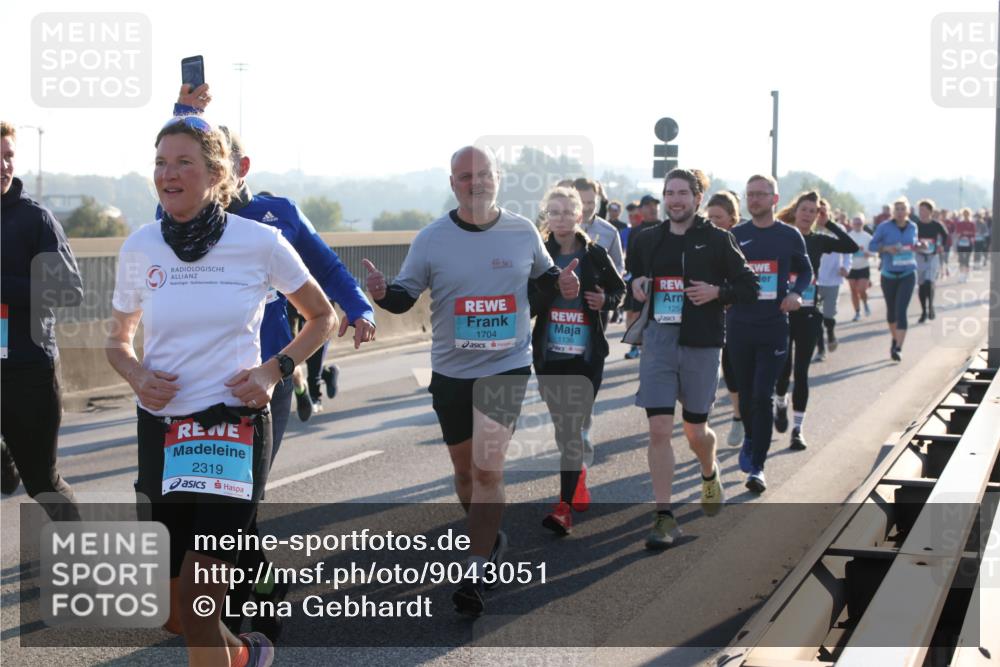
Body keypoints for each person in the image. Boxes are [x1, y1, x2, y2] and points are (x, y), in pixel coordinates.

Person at [106, 115, 336, 666]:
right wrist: (138, 376)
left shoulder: (259, 242)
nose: (169, 173)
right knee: (170, 610)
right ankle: (247, 657)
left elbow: (321, 316)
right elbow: (117, 341)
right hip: (161, 433)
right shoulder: (140, 246)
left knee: (200, 606)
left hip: (231, 431)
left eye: (185, 162)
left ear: (217, 174)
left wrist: (272, 371)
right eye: (161, 162)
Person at [169, 85, 375, 639]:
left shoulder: (273, 216)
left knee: (240, 491)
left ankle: (240, 598)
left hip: (266, 376)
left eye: (218, 162)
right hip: (198, 380)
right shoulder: (183, 220)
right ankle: (254, 585)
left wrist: (358, 308)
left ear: (238, 166)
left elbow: (328, 269)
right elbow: (175, 156)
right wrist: (185, 109)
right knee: (211, 494)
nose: (204, 173)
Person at [363, 145, 579, 616]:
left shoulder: (522, 231)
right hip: (451, 372)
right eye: (465, 176)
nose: (475, 182)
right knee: (464, 473)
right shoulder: (432, 238)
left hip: (507, 364)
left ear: (497, 178)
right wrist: (382, 294)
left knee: (486, 468)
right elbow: (404, 296)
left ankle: (477, 568)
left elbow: (544, 280)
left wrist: (562, 287)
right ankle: (490, 535)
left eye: (483, 174)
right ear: (453, 183)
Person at [629, 169, 757, 547]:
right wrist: (634, 284)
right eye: (669, 193)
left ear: (698, 198)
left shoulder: (718, 239)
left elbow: (749, 286)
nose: (675, 200)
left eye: (683, 193)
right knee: (657, 429)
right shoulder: (647, 238)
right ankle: (664, 517)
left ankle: (708, 469)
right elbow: (633, 279)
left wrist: (718, 292)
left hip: (701, 342)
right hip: (659, 341)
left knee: (696, 431)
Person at [529, 186, 625, 535]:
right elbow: (528, 304)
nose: (561, 218)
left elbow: (619, 290)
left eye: (568, 212)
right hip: (550, 356)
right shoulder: (538, 256)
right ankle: (578, 474)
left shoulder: (596, 254)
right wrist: (555, 288)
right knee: (564, 430)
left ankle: (563, 507)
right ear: (547, 217)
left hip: (586, 358)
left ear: (580, 216)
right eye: (554, 213)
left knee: (571, 429)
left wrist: (605, 300)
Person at [0, 121, 84, 522]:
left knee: (43, 486)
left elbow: (69, 291)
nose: (3, 165)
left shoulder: (36, 220)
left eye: (8, 155)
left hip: (27, 370)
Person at [728, 174, 812, 494]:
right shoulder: (735, 235)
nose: (754, 200)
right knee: (748, 396)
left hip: (774, 327)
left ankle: (758, 467)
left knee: (762, 396)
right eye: (749, 195)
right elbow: (724, 273)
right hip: (739, 326)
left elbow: (805, 270)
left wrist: (796, 293)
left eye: (761, 195)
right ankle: (751, 437)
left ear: (774, 199)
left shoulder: (789, 235)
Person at [772, 192, 857, 450]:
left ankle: (798, 429)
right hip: (783, 311)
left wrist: (828, 223)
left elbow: (851, 246)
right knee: (783, 369)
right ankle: (780, 402)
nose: (808, 214)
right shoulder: (782, 236)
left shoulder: (819, 240)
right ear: (795, 211)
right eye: (805, 210)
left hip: (809, 312)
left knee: (802, 371)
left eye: (813, 211)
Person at [705, 190, 745, 447]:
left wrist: (725, 292)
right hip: (712, 316)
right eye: (709, 217)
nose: (713, 222)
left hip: (742, 313)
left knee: (741, 370)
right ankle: (735, 417)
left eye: (718, 217)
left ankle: (744, 416)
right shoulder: (701, 240)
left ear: (732, 218)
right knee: (725, 369)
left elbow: (748, 283)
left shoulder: (741, 239)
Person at [869, 197, 918, 361]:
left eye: (903, 209)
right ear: (892, 212)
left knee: (901, 310)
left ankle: (898, 347)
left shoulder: (913, 226)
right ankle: (895, 338)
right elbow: (872, 246)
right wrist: (886, 248)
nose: (900, 212)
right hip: (889, 274)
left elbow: (913, 244)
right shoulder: (884, 227)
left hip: (908, 273)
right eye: (897, 209)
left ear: (908, 211)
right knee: (891, 312)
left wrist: (920, 246)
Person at [811, 201, 854, 361]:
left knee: (828, 316)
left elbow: (849, 252)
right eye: (817, 211)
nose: (820, 214)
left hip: (833, 280)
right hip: (814, 282)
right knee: (816, 316)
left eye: (823, 211)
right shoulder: (811, 230)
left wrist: (846, 267)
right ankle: (820, 349)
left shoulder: (838, 230)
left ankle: (830, 332)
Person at [623, 194, 663, 360]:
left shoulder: (666, 227)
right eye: (647, 205)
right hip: (641, 283)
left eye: (655, 205)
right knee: (635, 315)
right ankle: (635, 346)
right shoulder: (636, 232)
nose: (652, 208)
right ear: (641, 210)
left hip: (662, 285)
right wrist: (633, 281)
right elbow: (631, 260)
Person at [915, 199, 949, 323]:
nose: (921, 212)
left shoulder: (936, 224)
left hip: (933, 256)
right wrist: (917, 244)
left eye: (923, 210)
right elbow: (911, 238)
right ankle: (923, 310)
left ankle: (931, 307)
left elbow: (945, 235)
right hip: (919, 256)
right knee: (922, 285)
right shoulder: (915, 225)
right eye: (920, 210)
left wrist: (941, 246)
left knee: (930, 283)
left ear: (930, 211)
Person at [846, 215, 874, 321]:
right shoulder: (848, 236)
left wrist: (869, 254)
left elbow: (873, 251)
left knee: (861, 289)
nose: (857, 225)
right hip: (851, 267)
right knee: (853, 291)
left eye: (860, 223)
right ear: (852, 224)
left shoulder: (867, 237)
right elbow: (843, 251)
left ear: (863, 224)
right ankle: (857, 312)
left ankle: (865, 303)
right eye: (855, 223)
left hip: (863, 266)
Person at [954, 207, 976, 283]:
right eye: (964, 214)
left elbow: (973, 233)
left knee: (967, 260)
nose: (966, 215)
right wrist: (962, 233)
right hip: (961, 243)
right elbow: (958, 232)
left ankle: (966, 275)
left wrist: (967, 233)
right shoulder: (960, 223)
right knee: (960, 260)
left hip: (968, 243)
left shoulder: (972, 223)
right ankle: (961, 275)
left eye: (967, 214)